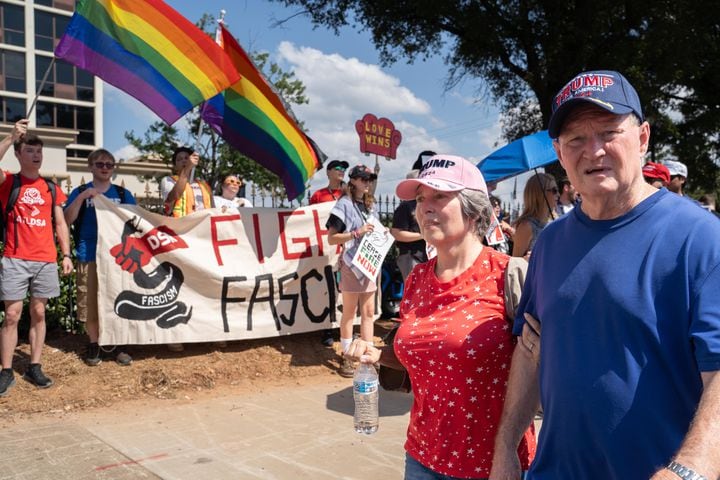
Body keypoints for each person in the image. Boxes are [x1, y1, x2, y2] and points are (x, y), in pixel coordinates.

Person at [490, 70, 720, 480]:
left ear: (643, 138)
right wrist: (506, 446)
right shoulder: (550, 243)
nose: (593, 151)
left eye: (609, 132)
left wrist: (690, 469)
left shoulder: (700, 237)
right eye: (576, 139)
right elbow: (529, 351)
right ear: (560, 154)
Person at [346, 154, 536, 479]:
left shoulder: (511, 275)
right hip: (421, 458)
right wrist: (378, 354)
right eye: (420, 199)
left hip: (493, 464)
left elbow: (540, 367)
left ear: (473, 209)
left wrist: (506, 449)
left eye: (439, 196)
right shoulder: (417, 279)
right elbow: (430, 355)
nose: (425, 207)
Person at [0, 119, 73, 397]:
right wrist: (9, 137)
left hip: (45, 259)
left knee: (39, 312)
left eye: (39, 150)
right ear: (19, 154)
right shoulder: (9, 182)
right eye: (30, 150)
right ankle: (6, 370)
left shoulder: (51, 188)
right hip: (15, 257)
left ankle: (34, 365)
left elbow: (60, 223)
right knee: (11, 315)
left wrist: (66, 254)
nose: (36, 155)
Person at [64, 149, 136, 367]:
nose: (105, 168)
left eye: (109, 164)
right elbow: (66, 219)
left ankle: (118, 344)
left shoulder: (124, 195)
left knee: (119, 299)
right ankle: (95, 343)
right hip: (89, 253)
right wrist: (83, 198)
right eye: (100, 164)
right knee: (91, 302)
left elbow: (137, 222)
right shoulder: (80, 191)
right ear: (91, 167)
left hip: (118, 257)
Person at [160, 146, 214, 352]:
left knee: (201, 284)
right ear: (175, 164)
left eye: (188, 158)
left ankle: (201, 331)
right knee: (178, 284)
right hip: (179, 240)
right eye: (180, 159)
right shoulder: (168, 181)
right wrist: (185, 172)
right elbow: (173, 197)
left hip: (203, 242)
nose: (184, 161)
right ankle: (175, 333)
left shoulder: (205, 185)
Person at [326, 164, 377, 377]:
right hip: (350, 262)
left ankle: (367, 355)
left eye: (369, 179)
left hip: (369, 263)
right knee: (349, 312)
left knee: (368, 312)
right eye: (363, 179)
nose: (367, 183)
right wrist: (357, 233)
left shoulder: (368, 204)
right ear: (353, 180)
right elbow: (331, 237)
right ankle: (347, 356)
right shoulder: (344, 204)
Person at [310, 159, 348, 347]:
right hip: (327, 249)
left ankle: (347, 329)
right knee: (329, 290)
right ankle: (328, 328)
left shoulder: (349, 193)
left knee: (347, 291)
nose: (342, 171)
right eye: (338, 168)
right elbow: (310, 220)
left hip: (347, 250)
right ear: (329, 172)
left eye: (344, 169)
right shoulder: (319, 195)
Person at [390, 170, 427, 282]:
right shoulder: (405, 207)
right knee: (414, 291)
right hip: (411, 256)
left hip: (425, 255)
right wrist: (422, 235)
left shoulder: (425, 204)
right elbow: (396, 233)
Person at [511, 173, 558, 257]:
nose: (558, 194)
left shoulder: (556, 219)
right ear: (540, 193)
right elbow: (515, 262)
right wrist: (527, 260)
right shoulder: (526, 226)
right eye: (554, 190)